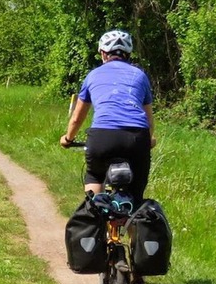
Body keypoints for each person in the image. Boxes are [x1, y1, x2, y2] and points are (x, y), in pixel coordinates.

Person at [58, 29, 156, 201]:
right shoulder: (140, 76)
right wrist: (149, 140)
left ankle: (95, 216)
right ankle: (133, 222)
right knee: (135, 200)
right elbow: (148, 119)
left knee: (95, 176)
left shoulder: (93, 75)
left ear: (103, 53)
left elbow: (77, 118)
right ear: (128, 54)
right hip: (136, 139)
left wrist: (68, 139)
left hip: (102, 138)